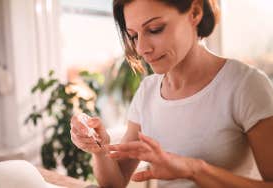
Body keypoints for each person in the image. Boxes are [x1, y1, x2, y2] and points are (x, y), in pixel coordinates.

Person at [70, 0, 273, 187]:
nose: (141, 48)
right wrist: (100, 150)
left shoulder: (245, 85)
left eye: (155, 29)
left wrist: (195, 170)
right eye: (133, 36)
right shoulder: (147, 91)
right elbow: (116, 183)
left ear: (194, 13)